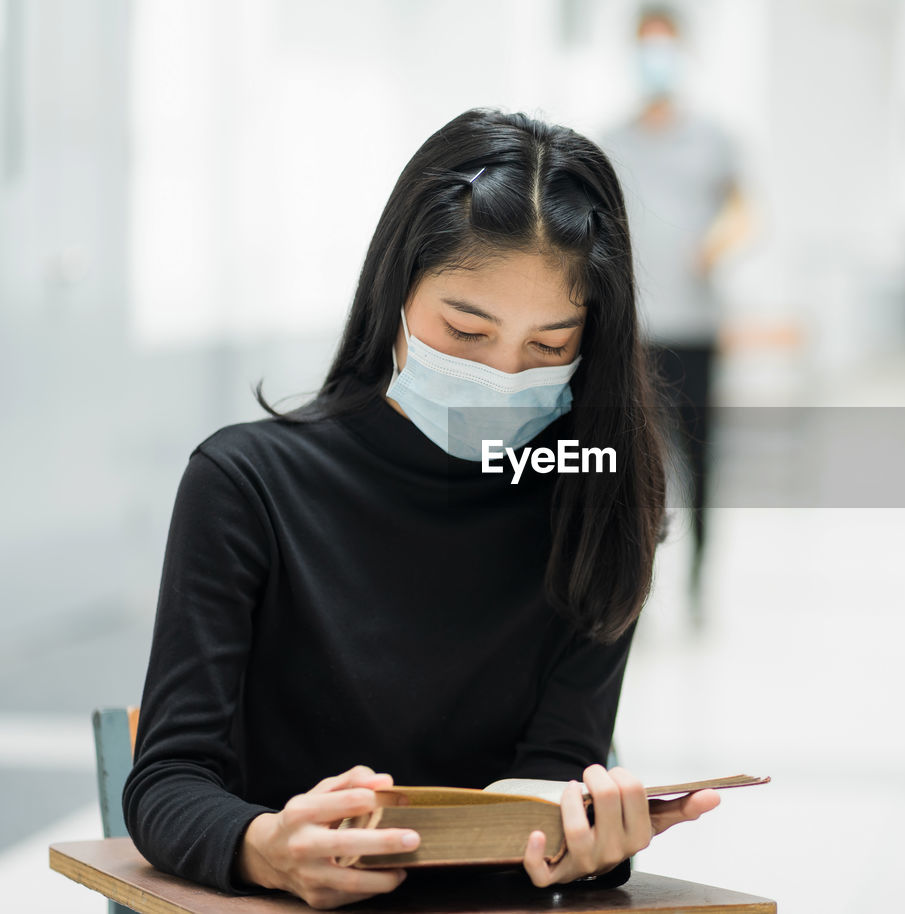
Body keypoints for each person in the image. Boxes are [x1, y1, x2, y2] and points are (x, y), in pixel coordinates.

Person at [122, 109, 720, 910]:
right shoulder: (245, 484)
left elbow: (554, 774)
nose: (504, 375)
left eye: (549, 346)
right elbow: (166, 783)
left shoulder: (595, 502)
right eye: (466, 331)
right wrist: (264, 847)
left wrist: (588, 849)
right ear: (396, 291)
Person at [602, 4, 751, 623]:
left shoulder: (715, 138)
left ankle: (699, 576)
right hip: (632, 333)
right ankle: (639, 575)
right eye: (647, 46)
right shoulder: (611, 141)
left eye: (667, 46)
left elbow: (745, 210)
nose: (656, 59)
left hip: (696, 327)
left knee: (700, 456)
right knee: (632, 459)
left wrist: (723, 238)